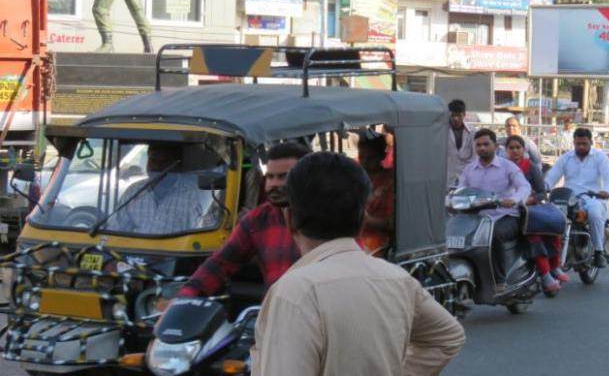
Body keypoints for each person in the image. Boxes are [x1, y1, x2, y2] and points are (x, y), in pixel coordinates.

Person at [252, 152, 465, 376]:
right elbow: (447, 337)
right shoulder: (397, 279)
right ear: (364, 217)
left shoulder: (295, 292)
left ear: (290, 218)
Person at [178, 142, 309, 297]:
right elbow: (219, 264)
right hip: (275, 312)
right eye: (270, 177)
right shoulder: (258, 220)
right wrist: (184, 297)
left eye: (283, 177)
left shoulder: (328, 216)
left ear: (306, 177)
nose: (273, 184)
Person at [457, 129, 531, 287]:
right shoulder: (469, 169)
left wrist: (514, 199)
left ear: (496, 146)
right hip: (476, 218)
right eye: (478, 145)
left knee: (494, 235)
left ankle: (500, 280)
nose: (482, 148)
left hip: (506, 216)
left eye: (486, 144)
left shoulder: (508, 166)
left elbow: (524, 187)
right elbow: (460, 190)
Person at [545, 127, 609, 268]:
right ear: (574, 143)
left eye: (584, 144)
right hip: (570, 198)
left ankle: (598, 251)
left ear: (591, 142)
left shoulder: (600, 157)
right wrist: (543, 187)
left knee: (595, 214)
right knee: (551, 216)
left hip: (593, 199)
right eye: (578, 144)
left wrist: (607, 190)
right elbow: (552, 177)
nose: (581, 147)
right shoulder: (566, 158)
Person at [504, 135, 566, 294]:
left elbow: (542, 194)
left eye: (518, 147)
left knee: (540, 235)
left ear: (524, 150)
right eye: (511, 148)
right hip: (505, 210)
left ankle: (549, 272)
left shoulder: (530, 167)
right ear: (506, 150)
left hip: (529, 210)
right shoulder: (500, 167)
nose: (515, 151)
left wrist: (530, 200)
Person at [114, 142, 215, 235]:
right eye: (153, 160)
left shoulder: (192, 197)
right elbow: (117, 230)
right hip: (135, 252)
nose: (157, 166)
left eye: (164, 161)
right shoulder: (133, 192)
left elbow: (200, 238)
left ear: (177, 165)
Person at [358, 132, 395, 255]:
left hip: (378, 244)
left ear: (381, 156)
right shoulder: (356, 177)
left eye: (370, 158)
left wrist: (369, 221)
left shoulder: (391, 181)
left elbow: (394, 223)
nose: (365, 162)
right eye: (361, 157)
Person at [446, 99, 474, 185]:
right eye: (453, 115)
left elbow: (475, 158)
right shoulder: (442, 131)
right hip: (447, 176)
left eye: (459, 115)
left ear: (464, 115)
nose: (455, 118)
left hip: (467, 177)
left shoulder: (472, 132)